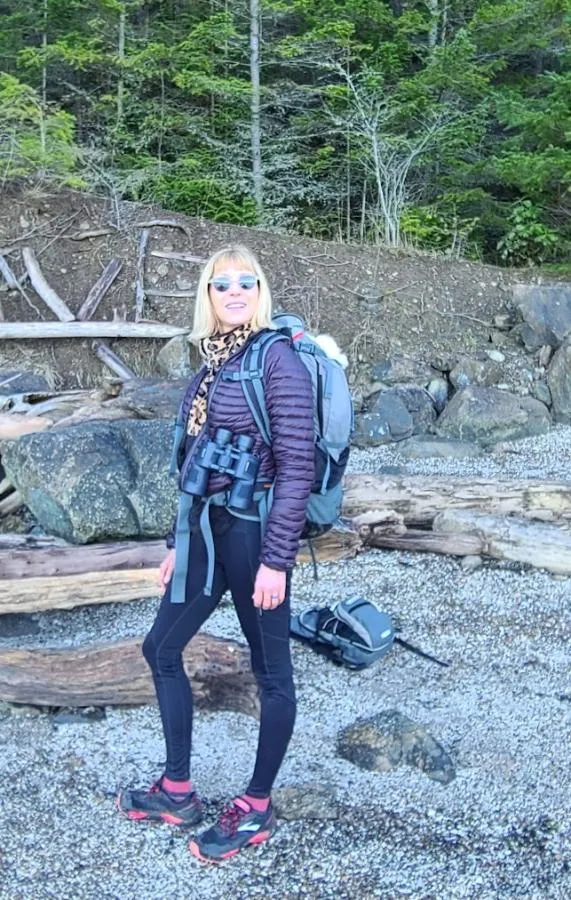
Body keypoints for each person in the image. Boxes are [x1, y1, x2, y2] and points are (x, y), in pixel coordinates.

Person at [117, 245, 315, 863]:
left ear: (260, 292)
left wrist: (277, 560)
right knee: (161, 648)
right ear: (206, 294)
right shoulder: (212, 362)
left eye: (245, 282)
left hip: (255, 536)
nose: (234, 292)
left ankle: (256, 805)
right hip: (206, 532)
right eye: (221, 283)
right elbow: (195, 462)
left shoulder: (276, 359)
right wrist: (176, 545)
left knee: (271, 672)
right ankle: (178, 790)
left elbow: (298, 467)